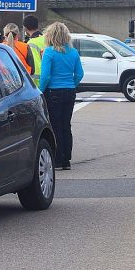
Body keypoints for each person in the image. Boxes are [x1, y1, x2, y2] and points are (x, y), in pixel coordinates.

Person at [38, 22, 84, 170]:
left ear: (51, 35)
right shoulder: (73, 52)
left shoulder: (49, 52)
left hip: (53, 92)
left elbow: (45, 76)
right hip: (70, 91)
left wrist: (40, 91)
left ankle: (58, 159)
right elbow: (79, 74)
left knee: (55, 126)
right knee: (66, 125)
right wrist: (71, 84)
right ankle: (66, 160)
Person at [23, 14, 46, 82]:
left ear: (25, 28)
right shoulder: (46, 39)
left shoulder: (31, 43)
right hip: (49, 80)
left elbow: (35, 65)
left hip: (37, 82)